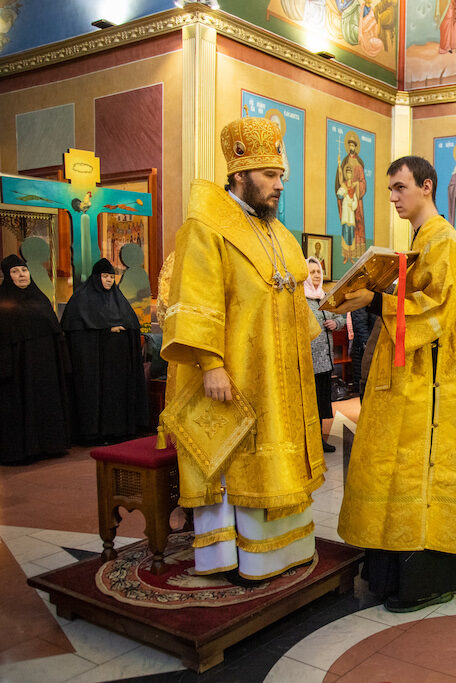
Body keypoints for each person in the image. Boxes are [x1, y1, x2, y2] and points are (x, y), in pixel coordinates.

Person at [161, 116, 325, 582]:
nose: (279, 185)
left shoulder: (275, 231)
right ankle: (236, 557)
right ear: (239, 174)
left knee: (282, 458)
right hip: (233, 374)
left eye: (281, 175)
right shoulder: (206, 227)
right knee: (234, 461)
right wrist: (210, 364)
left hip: (279, 376)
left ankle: (287, 549)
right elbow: (196, 298)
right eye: (270, 175)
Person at [336, 155, 456, 612]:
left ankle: (423, 583)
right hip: (407, 381)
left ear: (427, 186)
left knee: (419, 474)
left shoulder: (446, 244)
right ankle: (388, 575)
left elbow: (436, 311)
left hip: (431, 388)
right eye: (390, 190)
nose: (393, 198)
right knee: (393, 470)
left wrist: (376, 300)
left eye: (401, 187)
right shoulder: (420, 241)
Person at [61, 258, 148, 445]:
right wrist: (106, 331)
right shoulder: (81, 300)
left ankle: (120, 430)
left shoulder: (118, 298)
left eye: (111, 277)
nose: (109, 280)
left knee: (116, 396)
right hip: (96, 365)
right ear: (96, 277)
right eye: (105, 276)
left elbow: (131, 323)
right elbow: (77, 334)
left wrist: (124, 331)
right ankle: (95, 433)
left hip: (118, 363)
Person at [0, 254, 72, 464]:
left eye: (24, 270)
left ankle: (50, 446)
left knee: (45, 403)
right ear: (7, 276)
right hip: (18, 369)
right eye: (15, 272)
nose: (21, 275)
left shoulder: (40, 299)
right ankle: (25, 450)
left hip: (46, 367)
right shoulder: (3, 303)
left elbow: (56, 333)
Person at [305, 256, 341, 453]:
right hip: (308, 361)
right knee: (309, 403)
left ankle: (319, 439)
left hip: (325, 360)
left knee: (321, 401)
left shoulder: (326, 297)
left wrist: (336, 323)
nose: (317, 275)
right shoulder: (301, 299)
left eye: (318, 271)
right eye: (312, 272)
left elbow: (340, 317)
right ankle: (309, 441)